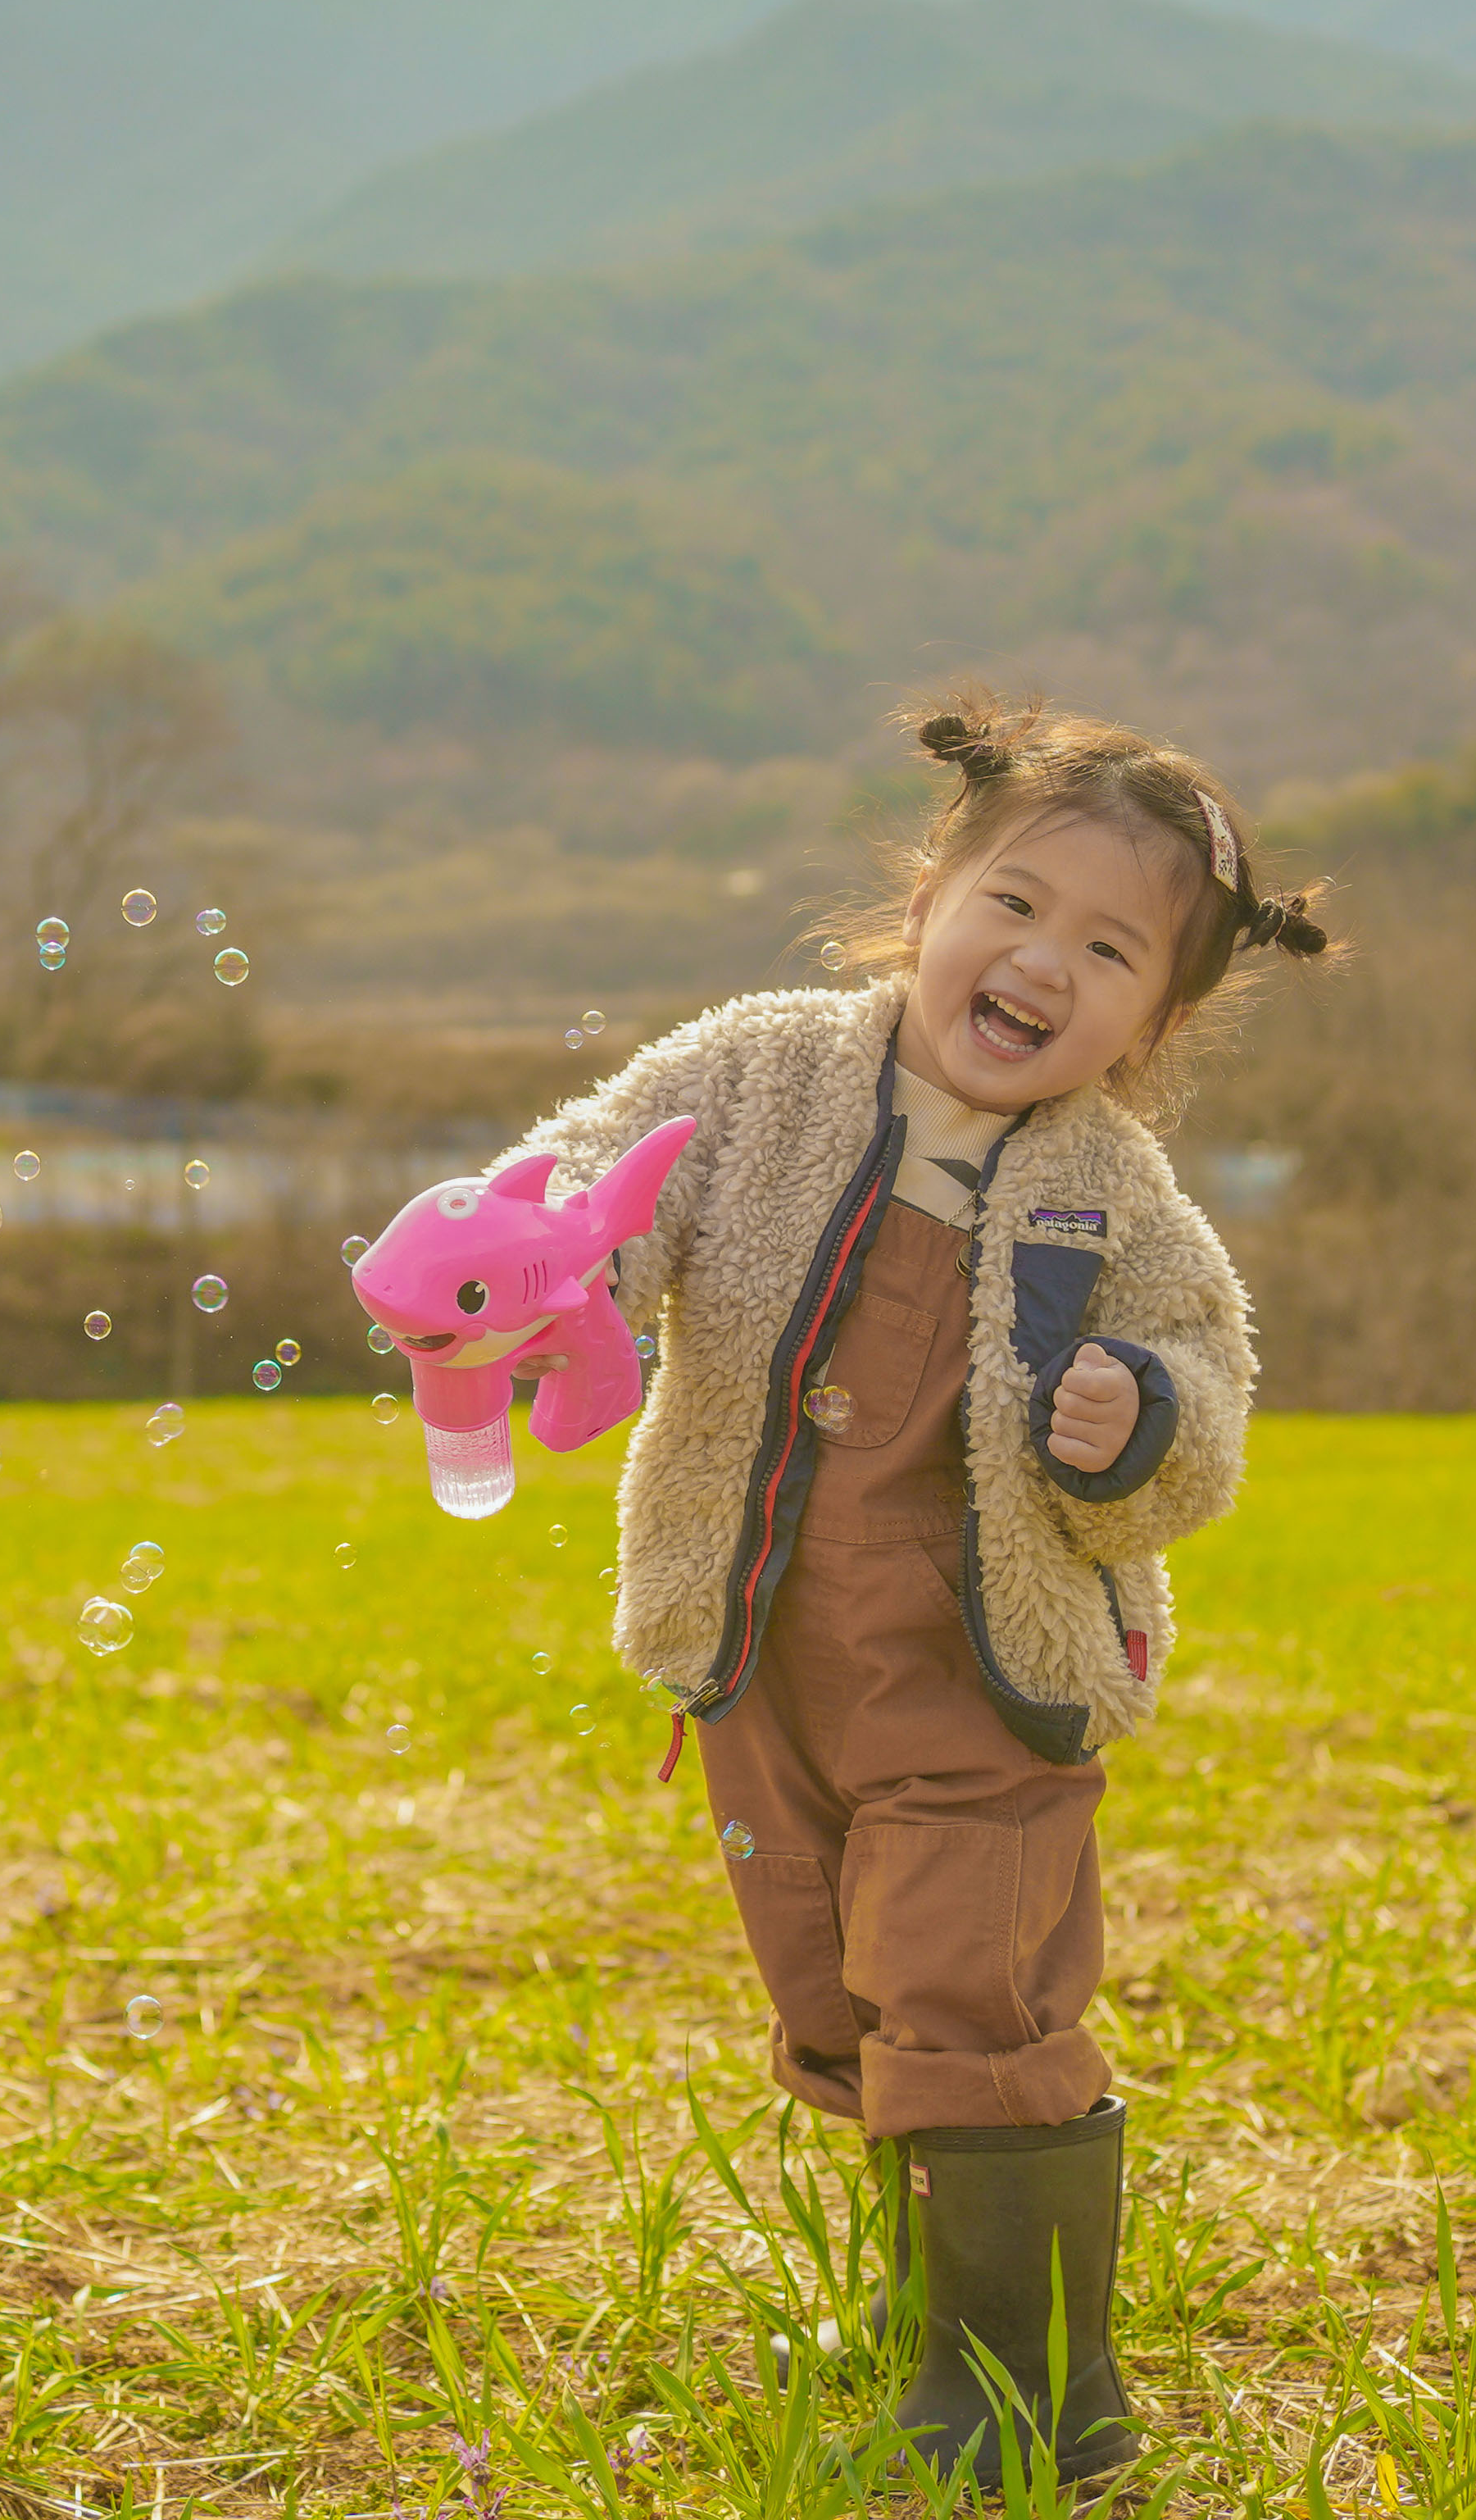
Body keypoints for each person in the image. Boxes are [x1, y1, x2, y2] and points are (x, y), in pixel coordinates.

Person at [500, 688, 1332, 2486]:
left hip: (977, 1669)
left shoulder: (1118, 1196)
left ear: (1152, 1022)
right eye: (1016, 904)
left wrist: (1135, 1416)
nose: (1044, 962)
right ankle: (936, 2314)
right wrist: (546, 1263)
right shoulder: (756, 1074)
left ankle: (1035, 2387)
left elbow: (1207, 1400)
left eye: (1109, 951)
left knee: (968, 1987)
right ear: (930, 900)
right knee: (840, 1990)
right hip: (765, 1643)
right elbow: (604, 1180)